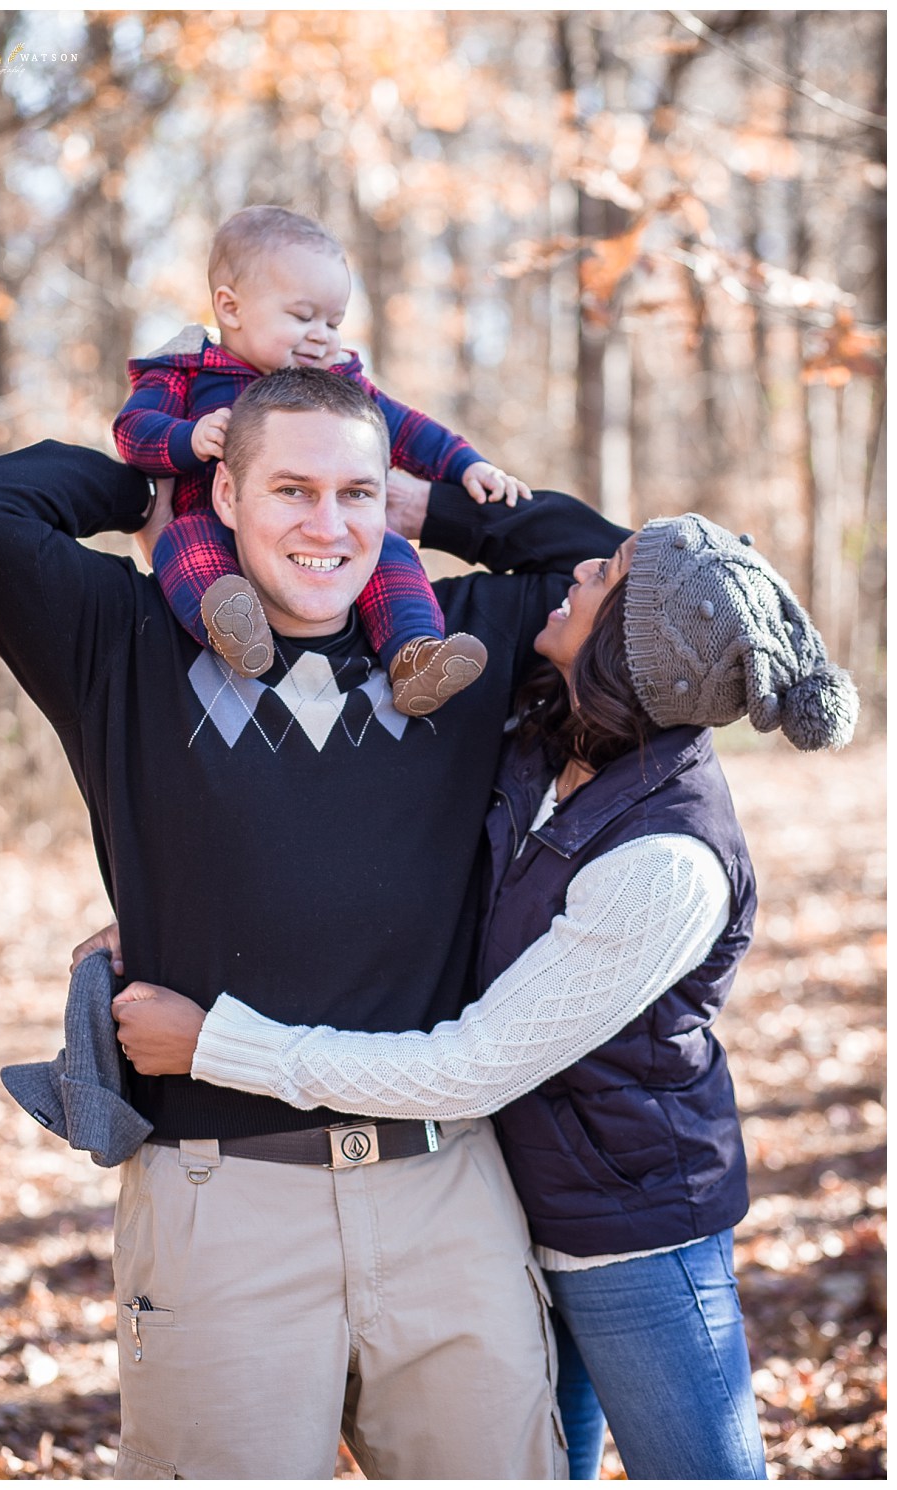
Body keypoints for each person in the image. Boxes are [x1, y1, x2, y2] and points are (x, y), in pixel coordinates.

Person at [0, 366, 629, 1480]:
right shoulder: (126, 643)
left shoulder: (451, 644)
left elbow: (619, 564)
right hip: (220, 1198)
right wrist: (151, 471)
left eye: (353, 492)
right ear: (229, 497)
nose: (326, 523)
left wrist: (430, 504)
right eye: (289, 488)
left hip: (445, 1192)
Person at [106, 511, 858, 1479]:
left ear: (636, 647)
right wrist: (167, 921)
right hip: (507, 1215)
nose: (579, 564)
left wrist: (216, 1040)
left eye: (609, 571)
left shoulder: (667, 861)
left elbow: (466, 1065)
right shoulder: (545, 737)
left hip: (631, 1244)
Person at [113, 204, 531, 715]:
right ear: (230, 307)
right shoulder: (185, 372)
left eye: (334, 321)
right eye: (302, 316)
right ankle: (234, 633)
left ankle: (413, 655)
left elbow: (406, 429)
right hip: (212, 522)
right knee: (181, 543)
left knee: (391, 552)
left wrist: (466, 464)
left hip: (313, 554)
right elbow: (132, 431)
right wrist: (187, 437)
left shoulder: (338, 380)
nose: (323, 335)